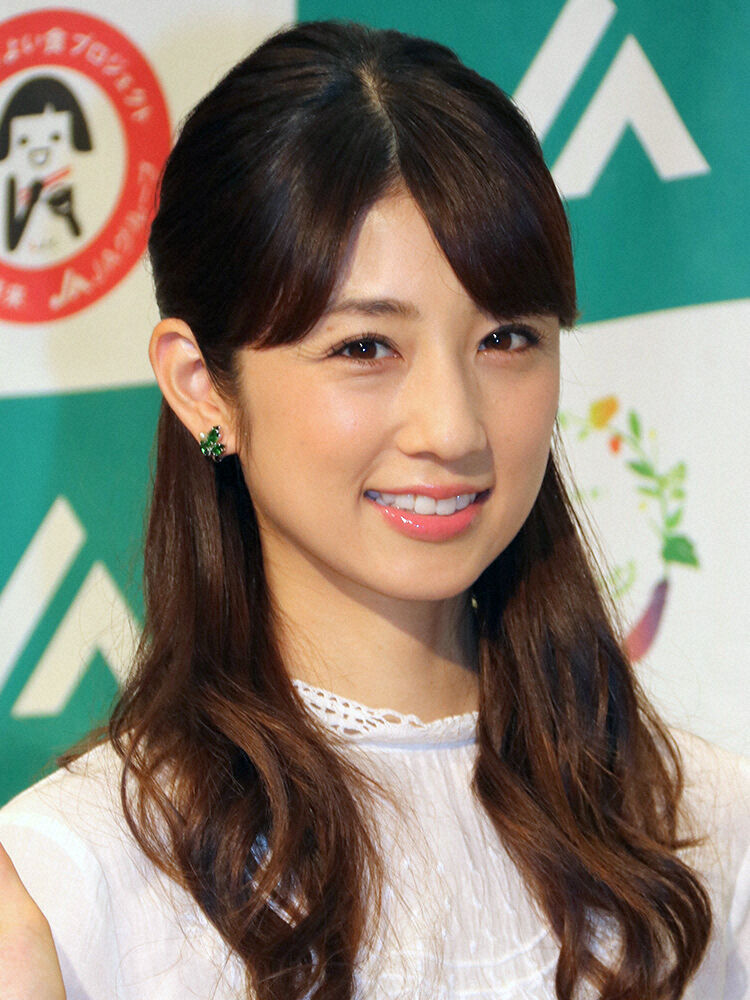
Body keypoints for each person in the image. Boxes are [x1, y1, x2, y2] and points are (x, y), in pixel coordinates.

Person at [0, 19, 747, 1000]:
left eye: (507, 338)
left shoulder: (706, 835)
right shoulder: (70, 890)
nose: (453, 427)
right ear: (201, 386)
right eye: (364, 347)